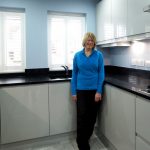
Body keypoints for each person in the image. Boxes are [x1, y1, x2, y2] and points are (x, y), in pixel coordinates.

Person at [71, 32, 105, 150]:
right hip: (81, 90)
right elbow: (74, 74)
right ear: (84, 41)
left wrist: (99, 91)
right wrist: (73, 92)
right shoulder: (77, 55)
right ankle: (82, 142)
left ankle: (84, 138)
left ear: (94, 42)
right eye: (88, 40)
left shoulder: (99, 55)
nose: (90, 42)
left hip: (95, 91)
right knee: (81, 116)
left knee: (92, 117)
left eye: (92, 40)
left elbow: (101, 74)